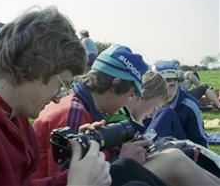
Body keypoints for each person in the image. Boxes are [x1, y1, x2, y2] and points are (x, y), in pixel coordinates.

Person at [0, 6, 112, 186]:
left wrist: (74, 174)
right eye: (60, 85)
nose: (57, 98)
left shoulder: (12, 116)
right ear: (36, 68)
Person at [33, 45, 220, 186]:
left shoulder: (80, 105)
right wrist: (121, 159)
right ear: (116, 84)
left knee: (174, 156)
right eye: (130, 94)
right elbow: (71, 178)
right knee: (173, 162)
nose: (128, 101)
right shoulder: (72, 113)